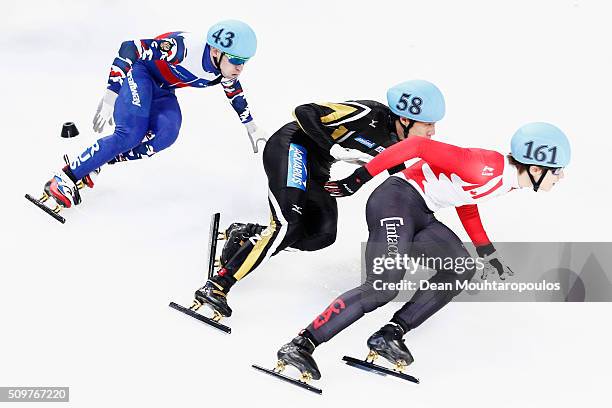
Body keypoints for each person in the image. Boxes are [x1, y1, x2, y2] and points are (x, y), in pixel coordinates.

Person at [274, 122, 571, 380]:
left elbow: (465, 200)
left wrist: (487, 252)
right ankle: (301, 344)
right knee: (382, 287)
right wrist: (358, 179)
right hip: (395, 202)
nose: (561, 178)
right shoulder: (485, 166)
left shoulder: (502, 181)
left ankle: (389, 334)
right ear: (535, 168)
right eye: (557, 171)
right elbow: (417, 144)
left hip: (420, 211)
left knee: (461, 268)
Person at [190, 80, 447, 319]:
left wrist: (356, 184)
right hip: (292, 146)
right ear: (405, 118)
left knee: (322, 235)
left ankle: (246, 235)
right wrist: (333, 147)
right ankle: (217, 285)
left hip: (318, 167)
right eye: (428, 124)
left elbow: (398, 181)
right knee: (289, 224)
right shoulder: (370, 113)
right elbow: (304, 111)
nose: (433, 132)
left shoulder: (398, 146)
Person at [32, 20, 267, 215]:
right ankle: (64, 177)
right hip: (141, 72)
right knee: (130, 134)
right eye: (236, 61)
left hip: (164, 89)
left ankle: (100, 160)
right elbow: (129, 48)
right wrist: (110, 95)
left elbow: (233, 91)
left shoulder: (224, 67)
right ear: (216, 51)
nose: (240, 68)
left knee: (167, 134)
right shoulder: (182, 48)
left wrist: (251, 125)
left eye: (244, 62)